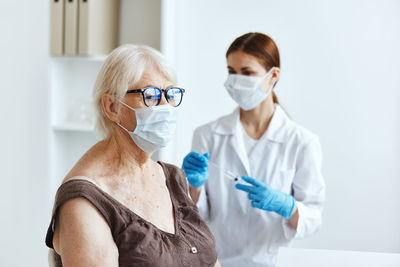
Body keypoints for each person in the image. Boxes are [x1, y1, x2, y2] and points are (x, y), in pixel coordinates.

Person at [45, 44, 220, 267]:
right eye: (151, 96)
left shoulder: (172, 178)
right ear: (111, 107)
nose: (165, 107)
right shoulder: (84, 201)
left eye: (170, 94)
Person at [182, 32, 325, 267]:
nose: (237, 80)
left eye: (247, 73)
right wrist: (193, 187)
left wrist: (288, 206)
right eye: (231, 72)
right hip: (219, 261)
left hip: (273, 262)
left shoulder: (301, 141)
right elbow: (194, 218)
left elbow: (314, 217)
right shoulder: (207, 135)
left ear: (273, 76)